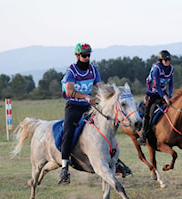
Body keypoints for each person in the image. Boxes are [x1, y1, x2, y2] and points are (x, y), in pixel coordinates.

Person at [59, 42, 130, 184]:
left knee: (106, 129)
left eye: (88, 55)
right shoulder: (71, 71)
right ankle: (64, 167)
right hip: (74, 106)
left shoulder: (93, 70)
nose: (87, 58)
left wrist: (112, 92)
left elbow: (100, 88)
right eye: (84, 56)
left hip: (89, 106)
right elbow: (68, 91)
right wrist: (85, 97)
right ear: (77, 56)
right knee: (68, 132)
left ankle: (116, 162)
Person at [136, 50, 174, 146]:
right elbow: (157, 86)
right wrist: (165, 97)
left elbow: (171, 84)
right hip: (152, 94)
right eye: (165, 60)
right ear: (161, 60)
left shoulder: (171, 69)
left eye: (169, 60)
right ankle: (143, 136)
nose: (167, 61)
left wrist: (170, 96)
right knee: (148, 114)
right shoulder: (156, 69)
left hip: (163, 94)